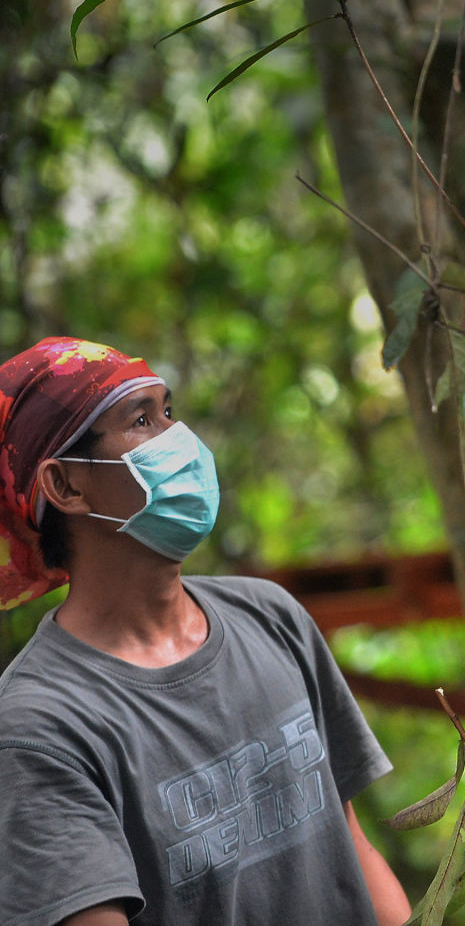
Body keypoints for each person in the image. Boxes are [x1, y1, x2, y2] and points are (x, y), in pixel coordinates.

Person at [0, 337, 411, 926]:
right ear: (65, 486)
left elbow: (351, 848)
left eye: (168, 410)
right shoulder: (40, 728)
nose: (179, 438)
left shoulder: (270, 617)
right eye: (140, 420)